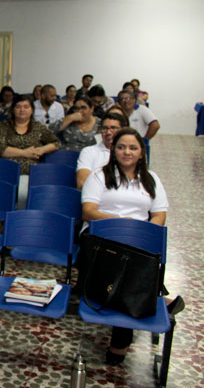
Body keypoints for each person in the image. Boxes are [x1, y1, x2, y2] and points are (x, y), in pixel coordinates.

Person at [81, 128, 168, 365]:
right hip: (101, 237)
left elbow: (159, 215)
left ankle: (122, 337)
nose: (126, 152)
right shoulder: (99, 176)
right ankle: (156, 299)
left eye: (132, 147)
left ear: (141, 152)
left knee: (133, 263)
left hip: (136, 241)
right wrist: (121, 224)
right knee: (130, 269)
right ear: (113, 151)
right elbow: (88, 212)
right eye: (121, 147)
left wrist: (142, 233)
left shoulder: (151, 179)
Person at [0, 94, 61, 207]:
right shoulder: (3, 125)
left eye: (26, 107)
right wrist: (25, 153)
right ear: (13, 109)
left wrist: (42, 149)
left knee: (22, 193)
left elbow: (57, 143)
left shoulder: (38, 127)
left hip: (28, 172)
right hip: (5, 169)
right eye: (18, 106)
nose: (22, 110)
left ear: (32, 110)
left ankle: (19, 215)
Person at [75, 112, 128, 189]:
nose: (108, 132)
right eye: (105, 128)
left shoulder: (129, 154)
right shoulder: (89, 152)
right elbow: (82, 182)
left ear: (122, 130)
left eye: (113, 128)